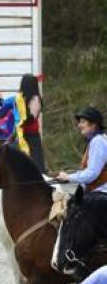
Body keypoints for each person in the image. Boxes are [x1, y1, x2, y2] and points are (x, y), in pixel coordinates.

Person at [55, 107, 107, 270]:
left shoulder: (98, 142)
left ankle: (75, 257)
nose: (79, 125)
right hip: (98, 191)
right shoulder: (96, 141)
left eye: (83, 122)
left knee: (74, 214)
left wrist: (69, 177)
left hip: (102, 193)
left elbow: (92, 174)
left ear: (94, 125)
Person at [18, 74, 46, 172]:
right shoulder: (21, 98)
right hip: (22, 133)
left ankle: (40, 173)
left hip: (32, 133)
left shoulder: (35, 99)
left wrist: (21, 119)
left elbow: (32, 117)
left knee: (36, 157)